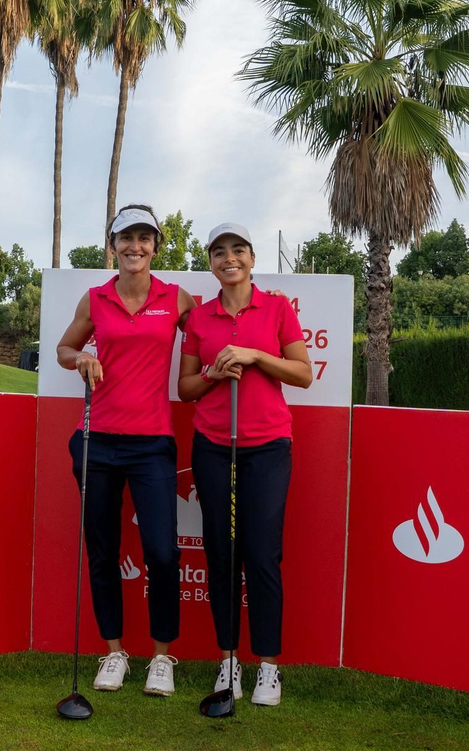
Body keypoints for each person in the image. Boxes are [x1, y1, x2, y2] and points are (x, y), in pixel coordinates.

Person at [56, 204, 198, 697]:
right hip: (96, 441)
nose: (135, 246)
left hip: (152, 444)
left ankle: (161, 657)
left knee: (162, 552)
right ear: (113, 245)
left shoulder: (175, 298)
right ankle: (114, 651)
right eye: (126, 238)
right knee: (102, 550)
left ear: (155, 246)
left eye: (144, 238)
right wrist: (81, 356)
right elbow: (63, 349)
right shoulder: (95, 299)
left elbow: (217, 326)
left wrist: (270, 305)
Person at [176, 222, 313, 708]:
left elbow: (303, 374)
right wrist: (215, 373)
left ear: (252, 258)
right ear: (211, 263)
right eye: (219, 251)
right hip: (214, 446)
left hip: (268, 446)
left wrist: (255, 355)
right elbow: (185, 389)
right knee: (221, 553)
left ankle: (268, 665)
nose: (229, 258)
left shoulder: (277, 308)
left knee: (261, 554)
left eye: (238, 250)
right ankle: (229, 660)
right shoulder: (200, 318)